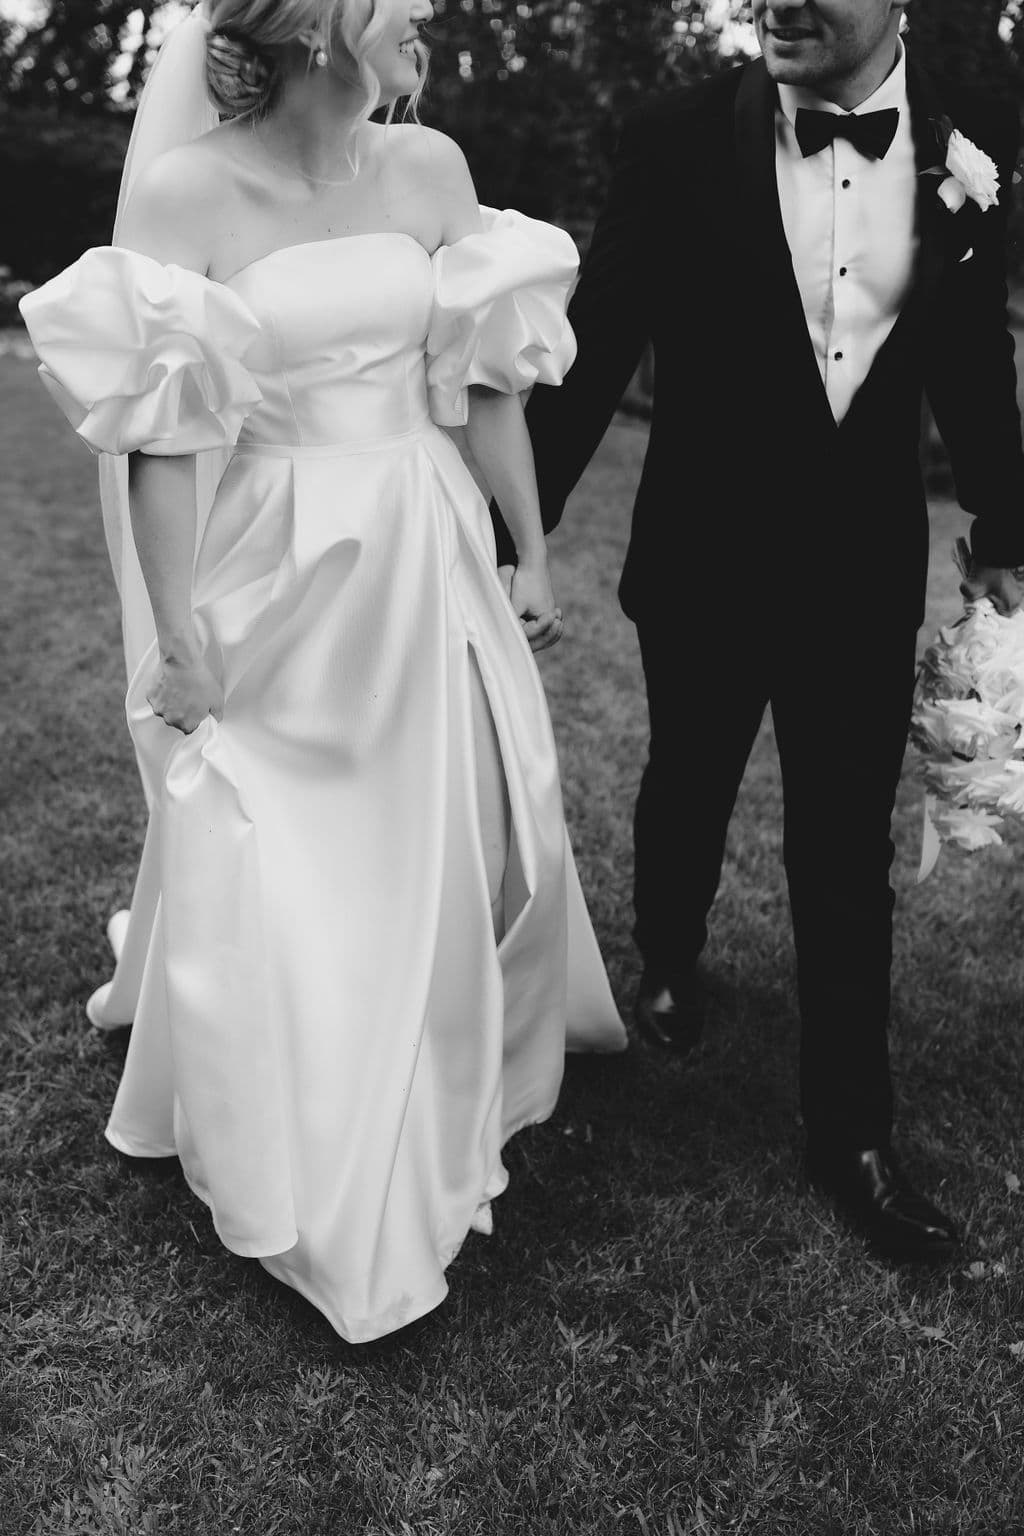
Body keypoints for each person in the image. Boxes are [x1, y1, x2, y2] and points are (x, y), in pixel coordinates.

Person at [20, 0, 626, 1344]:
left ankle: (424, 1068)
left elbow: (483, 384)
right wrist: (178, 637)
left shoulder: (430, 167)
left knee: (427, 830)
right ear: (318, 22)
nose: (428, 16)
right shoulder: (189, 194)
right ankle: (300, 1107)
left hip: (422, 544)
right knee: (284, 834)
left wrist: (529, 552)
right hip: (277, 558)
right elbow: (163, 443)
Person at [492, 0, 1024, 1265]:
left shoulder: (966, 149)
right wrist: (514, 532)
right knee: (688, 776)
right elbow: (603, 333)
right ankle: (669, 953)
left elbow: (968, 356)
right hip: (703, 557)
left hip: (860, 571)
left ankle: (852, 1136)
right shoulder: (674, 134)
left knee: (843, 848)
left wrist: (1005, 530)